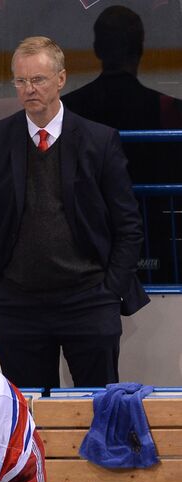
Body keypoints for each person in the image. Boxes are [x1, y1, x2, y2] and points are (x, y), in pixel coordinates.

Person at [0, 36, 149, 482]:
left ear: (61, 80)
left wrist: (109, 288)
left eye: (39, 79)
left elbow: (128, 224)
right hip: (19, 306)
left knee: (105, 411)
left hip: (88, 299)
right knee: (25, 420)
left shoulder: (97, 139)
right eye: (21, 81)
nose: (29, 89)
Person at [62, 5, 182, 283]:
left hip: (86, 252)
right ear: (141, 49)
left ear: (96, 49)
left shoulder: (67, 110)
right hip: (159, 245)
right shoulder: (171, 111)